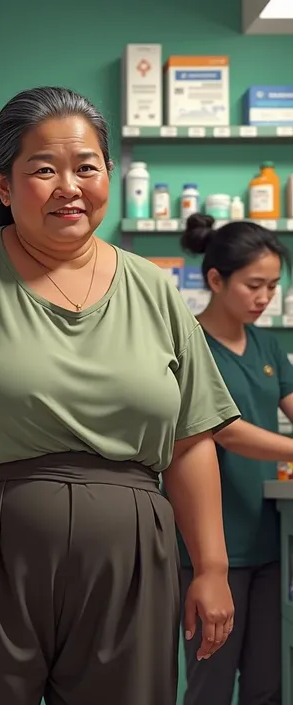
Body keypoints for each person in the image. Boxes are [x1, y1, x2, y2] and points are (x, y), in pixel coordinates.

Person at [0, 87, 238, 705]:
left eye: (86, 167)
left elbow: (191, 442)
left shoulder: (154, 290)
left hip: (131, 555)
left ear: (109, 173)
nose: (69, 186)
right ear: (4, 183)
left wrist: (211, 568)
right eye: (43, 170)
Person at [180, 213, 293, 705]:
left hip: (269, 540)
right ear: (215, 279)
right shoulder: (189, 343)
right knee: (211, 682)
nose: (265, 298)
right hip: (211, 547)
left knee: (269, 681)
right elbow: (225, 431)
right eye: (254, 285)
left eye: (272, 286)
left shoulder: (268, 344)